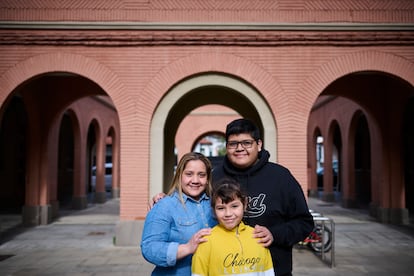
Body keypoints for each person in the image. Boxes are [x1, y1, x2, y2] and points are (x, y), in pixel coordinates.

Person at [212, 118, 314, 276]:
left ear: (258, 145)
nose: (240, 148)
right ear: (227, 147)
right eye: (233, 144)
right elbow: (192, 202)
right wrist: (164, 199)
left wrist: (275, 234)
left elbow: (304, 222)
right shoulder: (214, 177)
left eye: (246, 143)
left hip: (274, 269)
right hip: (223, 269)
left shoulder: (281, 177)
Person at [141, 152, 217, 275]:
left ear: (207, 178)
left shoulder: (216, 205)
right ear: (179, 175)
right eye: (189, 174)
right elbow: (149, 248)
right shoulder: (164, 206)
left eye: (201, 175)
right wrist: (187, 248)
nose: (195, 180)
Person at [191, 178, 275, 276]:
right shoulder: (206, 241)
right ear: (214, 210)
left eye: (234, 206)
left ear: (244, 205)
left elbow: (268, 273)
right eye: (221, 208)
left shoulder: (258, 237)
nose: (228, 214)